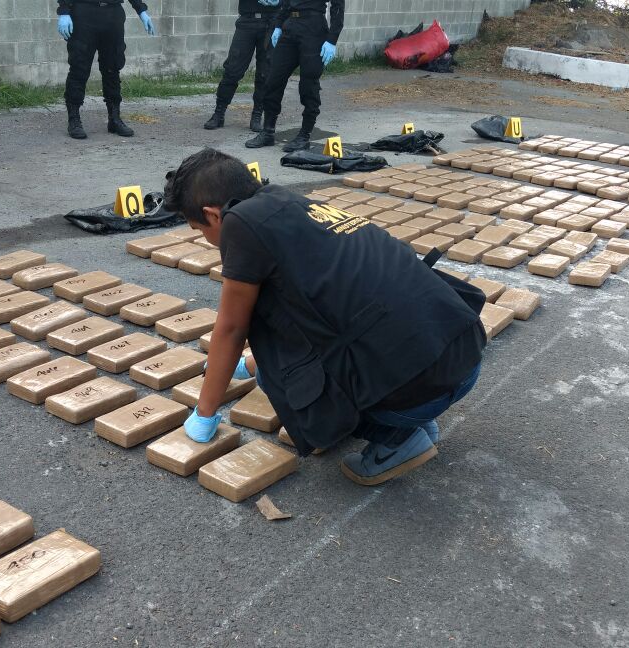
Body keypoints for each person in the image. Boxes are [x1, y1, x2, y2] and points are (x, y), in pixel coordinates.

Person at [163, 149, 486, 485]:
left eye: (198, 229)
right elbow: (314, 315)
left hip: (422, 385)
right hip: (462, 353)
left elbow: (231, 329)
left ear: (212, 215)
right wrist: (251, 363)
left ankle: (397, 437)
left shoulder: (239, 224)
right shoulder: (289, 203)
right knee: (279, 355)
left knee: (277, 380)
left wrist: (204, 413)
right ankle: (410, 416)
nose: (206, 239)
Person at [245, 0, 343, 152]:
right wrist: (278, 25)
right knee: (273, 80)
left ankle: (304, 135)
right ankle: (268, 131)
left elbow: (338, 6)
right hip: (290, 26)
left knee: (308, 85)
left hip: (313, 28)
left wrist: (332, 40)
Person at [57, 0, 157, 139]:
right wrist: (64, 11)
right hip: (83, 13)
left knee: (112, 67)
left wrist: (141, 10)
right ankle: (74, 120)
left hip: (113, 14)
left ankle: (114, 118)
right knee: (79, 67)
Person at [203, 0, 279, 132]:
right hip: (247, 21)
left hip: (271, 22)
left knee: (265, 73)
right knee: (232, 70)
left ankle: (257, 115)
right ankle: (219, 114)